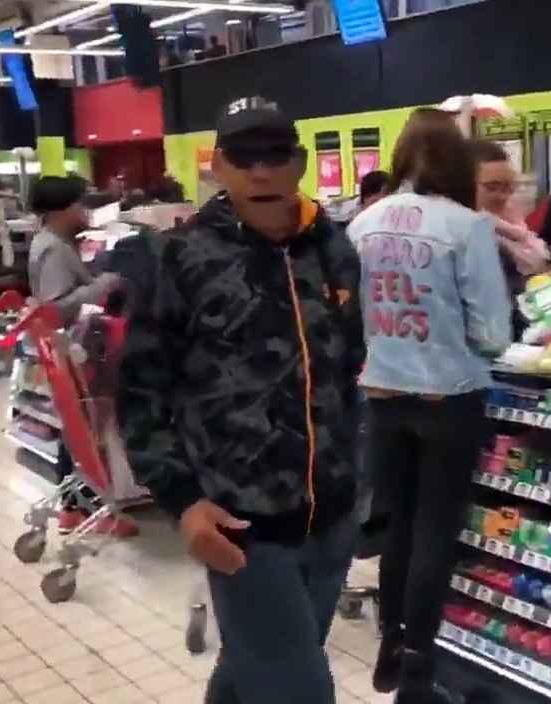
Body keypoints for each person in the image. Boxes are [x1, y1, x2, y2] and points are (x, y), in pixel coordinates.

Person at [116, 99, 364, 704]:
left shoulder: (334, 249)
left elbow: (344, 365)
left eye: (274, 155)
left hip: (331, 515)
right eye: (242, 158)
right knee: (296, 690)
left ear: (299, 163)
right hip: (242, 526)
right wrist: (182, 502)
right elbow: (140, 390)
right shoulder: (181, 258)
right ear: (219, 167)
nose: (260, 172)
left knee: (251, 670)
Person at [348, 108, 512, 703]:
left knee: (398, 524)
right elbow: (492, 332)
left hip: (384, 396)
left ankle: (390, 641)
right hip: (450, 396)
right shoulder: (466, 227)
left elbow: (352, 316)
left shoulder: (362, 225)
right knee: (436, 528)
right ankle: (419, 658)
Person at [27, 175, 137, 537]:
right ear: (64, 209)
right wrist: (103, 284)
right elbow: (56, 307)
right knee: (86, 431)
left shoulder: (52, 241)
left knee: (74, 428)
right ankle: (96, 509)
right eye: (80, 204)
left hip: (69, 352)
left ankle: (73, 507)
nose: (85, 211)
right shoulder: (54, 250)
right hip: (73, 350)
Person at [473, 140, 550, 286]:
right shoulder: (472, 239)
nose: (502, 196)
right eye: (492, 187)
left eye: (507, 186)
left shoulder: (513, 221)